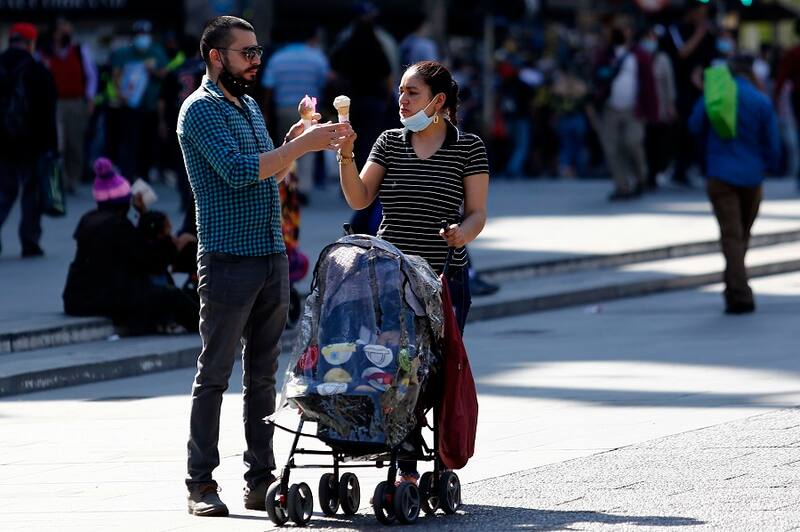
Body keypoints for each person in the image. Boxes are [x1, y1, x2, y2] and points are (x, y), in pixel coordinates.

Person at [177, 16, 351, 517]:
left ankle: (261, 479)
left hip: (270, 253)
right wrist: (299, 146)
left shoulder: (250, 105)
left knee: (262, 377)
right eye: (246, 53)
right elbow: (238, 172)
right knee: (214, 374)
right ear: (216, 56)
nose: (256, 61)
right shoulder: (200, 110)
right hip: (228, 257)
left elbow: (267, 166)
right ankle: (201, 484)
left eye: (258, 52)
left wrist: (297, 136)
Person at [337, 60, 489, 484]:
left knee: (432, 370)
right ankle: (403, 466)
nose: (402, 100)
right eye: (400, 92)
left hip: (443, 280)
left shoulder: (468, 147)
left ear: (438, 101)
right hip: (390, 279)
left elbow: (477, 213)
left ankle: (438, 459)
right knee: (394, 367)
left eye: (412, 93)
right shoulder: (388, 142)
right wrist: (346, 154)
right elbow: (360, 196)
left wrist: (464, 233)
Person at [62, 157, 199, 333]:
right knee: (172, 296)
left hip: (77, 298)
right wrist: (175, 245)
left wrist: (143, 213)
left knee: (166, 294)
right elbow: (152, 261)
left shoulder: (89, 220)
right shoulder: (117, 227)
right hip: (103, 298)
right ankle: (210, 329)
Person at [689, 55, 781, 314]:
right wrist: (769, 167)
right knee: (742, 235)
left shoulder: (717, 95)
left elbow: (694, 125)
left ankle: (735, 289)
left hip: (719, 175)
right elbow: (773, 144)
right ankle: (740, 293)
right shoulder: (760, 100)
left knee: (731, 236)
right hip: (752, 178)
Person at [0, 22, 57, 258]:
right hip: (32, 144)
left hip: (2, 143)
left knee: (3, 193)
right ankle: (29, 242)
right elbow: (47, 113)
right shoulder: (38, 71)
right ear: (31, 43)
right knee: (31, 194)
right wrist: (52, 147)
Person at [261, 27, 330, 197]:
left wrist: (266, 111)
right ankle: (304, 188)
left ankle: (287, 184)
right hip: (311, 110)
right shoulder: (316, 57)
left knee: (286, 146)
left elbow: (268, 86)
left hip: (283, 108)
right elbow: (326, 81)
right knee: (308, 147)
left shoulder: (278, 58)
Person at [594, 25, 658, 200]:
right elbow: (596, 77)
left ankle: (641, 177)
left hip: (633, 108)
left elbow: (649, 86)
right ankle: (622, 186)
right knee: (611, 147)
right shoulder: (604, 54)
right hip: (610, 108)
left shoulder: (640, 55)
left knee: (632, 142)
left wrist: (652, 110)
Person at [108, 20, 167, 182]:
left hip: (150, 106)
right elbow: (116, 76)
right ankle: (126, 177)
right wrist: (121, 94)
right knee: (129, 143)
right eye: (139, 35)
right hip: (129, 106)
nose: (142, 38)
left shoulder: (157, 52)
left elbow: (164, 74)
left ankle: (144, 176)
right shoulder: (123, 53)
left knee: (147, 144)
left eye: (145, 35)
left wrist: (152, 71)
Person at [44, 18, 98, 193]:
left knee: (75, 144)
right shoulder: (46, 52)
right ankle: (59, 181)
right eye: (62, 30)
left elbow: (91, 76)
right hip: (55, 103)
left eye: (68, 30)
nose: (65, 33)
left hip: (76, 102)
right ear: (55, 33)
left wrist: (90, 99)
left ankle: (72, 180)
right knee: (58, 144)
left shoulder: (80, 51)